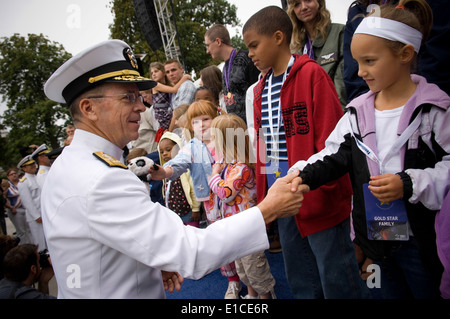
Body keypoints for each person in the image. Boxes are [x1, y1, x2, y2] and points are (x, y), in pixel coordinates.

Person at [41, 39, 308, 298]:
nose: (140, 105)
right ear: (89, 108)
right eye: (128, 97)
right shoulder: (100, 179)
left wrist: (150, 260)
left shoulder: (71, 164)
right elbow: (191, 251)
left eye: (138, 96)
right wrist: (268, 209)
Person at [291, 0, 449, 298]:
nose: (360, 72)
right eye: (357, 62)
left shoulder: (435, 110)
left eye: (370, 61)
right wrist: (301, 175)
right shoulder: (356, 112)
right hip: (377, 241)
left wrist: (410, 183)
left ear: (405, 54)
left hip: (424, 242)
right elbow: (332, 154)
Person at [243, 6, 370, 299]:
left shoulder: (311, 74)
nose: (250, 53)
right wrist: (264, 192)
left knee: (335, 272)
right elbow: (263, 143)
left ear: (278, 37)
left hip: (316, 190)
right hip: (280, 190)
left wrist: (319, 184)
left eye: (253, 45)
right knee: (298, 272)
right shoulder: (259, 89)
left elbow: (333, 140)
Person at [209, 113, 276, 299]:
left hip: (248, 228)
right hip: (237, 228)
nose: (212, 142)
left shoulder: (241, 167)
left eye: (215, 138)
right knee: (243, 268)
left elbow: (226, 194)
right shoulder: (231, 164)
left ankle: (265, 298)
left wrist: (213, 176)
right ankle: (252, 295)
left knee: (255, 269)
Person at [287, 0, 347, 110]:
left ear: (319, 2)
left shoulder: (340, 33)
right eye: (297, 4)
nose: (304, 7)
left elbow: (341, 89)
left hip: (335, 116)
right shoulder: (293, 48)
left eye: (308, 0)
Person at [204, 24, 260, 122]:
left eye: (208, 45)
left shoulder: (247, 59)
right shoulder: (225, 67)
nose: (207, 51)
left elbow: (258, 91)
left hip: (254, 126)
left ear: (218, 41)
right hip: (237, 128)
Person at [158, 131, 201, 227]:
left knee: (192, 237)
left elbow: (194, 187)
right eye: (161, 152)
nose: (164, 154)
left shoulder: (185, 170)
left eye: (168, 150)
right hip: (174, 214)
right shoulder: (165, 170)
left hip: (188, 212)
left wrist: (195, 209)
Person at [16, 156, 47, 251]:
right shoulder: (23, 183)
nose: (33, 166)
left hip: (43, 214)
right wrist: (37, 216)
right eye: (30, 165)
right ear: (24, 168)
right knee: (39, 240)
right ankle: (41, 258)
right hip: (35, 217)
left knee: (46, 238)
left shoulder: (36, 177)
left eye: (33, 164)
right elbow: (27, 202)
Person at [4, 169, 32, 245]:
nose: (14, 175)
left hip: (26, 209)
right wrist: (11, 207)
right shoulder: (7, 185)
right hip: (15, 210)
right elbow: (3, 198)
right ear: (8, 176)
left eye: (15, 173)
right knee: (21, 231)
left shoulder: (22, 182)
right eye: (11, 174)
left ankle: (32, 246)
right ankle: (23, 247)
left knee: (29, 229)